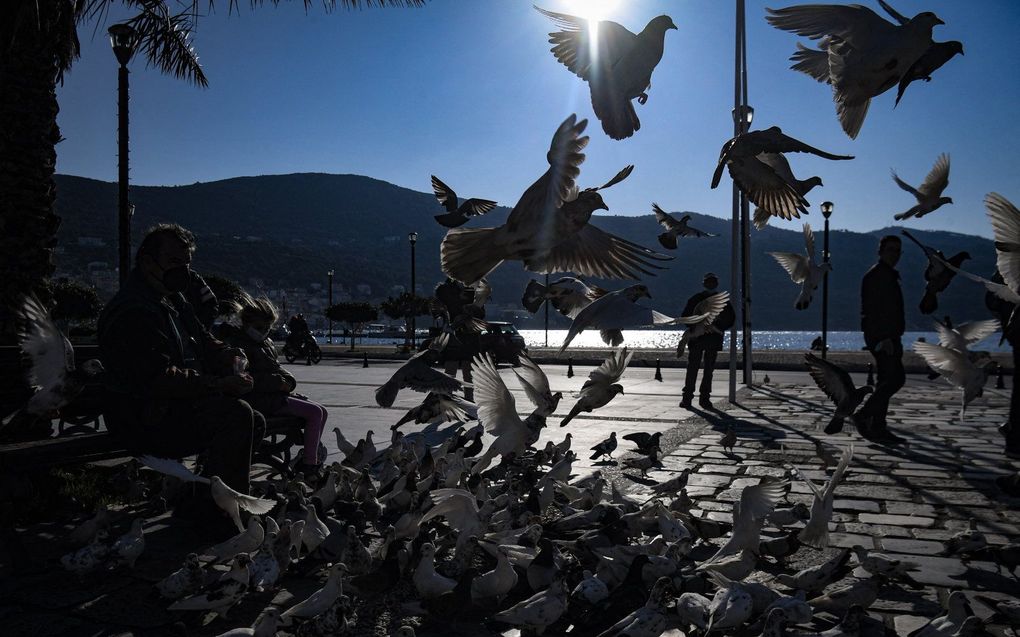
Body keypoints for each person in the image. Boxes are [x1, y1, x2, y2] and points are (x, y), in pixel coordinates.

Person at [97, 224, 263, 512]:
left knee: (254, 420)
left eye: (187, 264)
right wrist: (217, 385)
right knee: (236, 415)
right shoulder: (134, 310)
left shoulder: (174, 299)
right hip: (144, 416)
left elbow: (203, 339)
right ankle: (219, 515)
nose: (183, 272)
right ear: (148, 261)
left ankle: (201, 501)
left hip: (175, 406)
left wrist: (228, 357)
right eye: (175, 262)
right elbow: (157, 378)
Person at [220, 293, 329, 478]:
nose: (263, 332)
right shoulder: (238, 345)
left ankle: (309, 454)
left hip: (273, 396)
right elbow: (245, 377)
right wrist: (279, 383)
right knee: (315, 413)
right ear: (245, 324)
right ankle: (309, 465)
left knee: (322, 411)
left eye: (267, 328)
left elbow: (277, 368)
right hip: (257, 400)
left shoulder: (266, 343)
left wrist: (289, 382)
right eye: (258, 327)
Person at [847, 235, 906, 443]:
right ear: (880, 251)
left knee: (886, 380)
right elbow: (874, 311)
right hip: (883, 338)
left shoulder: (888, 275)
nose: (895, 255)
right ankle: (864, 416)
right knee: (895, 379)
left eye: (898, 251)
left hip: (890, 336)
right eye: (891, 250)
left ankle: (877, 426)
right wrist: (884, 338)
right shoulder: (877, 276)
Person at [679, 272, 735, 410]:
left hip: (708, 339)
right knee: (697, 369)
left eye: (712, 281)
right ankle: (693, 399)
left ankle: (699, 399)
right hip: (702, 339)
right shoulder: (718, 300)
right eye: (709, 281)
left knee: (703, 370)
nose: (710, 284)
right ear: (705, 283)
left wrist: (715, 326)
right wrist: (703, 326)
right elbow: (685, 317)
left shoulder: (700, 299)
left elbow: (730, 319)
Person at [985, 271, 1020, 459]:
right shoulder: (1009, 266)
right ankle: (1014, 439)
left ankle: (1012, 432)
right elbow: (992, 297)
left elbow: (991, 300)